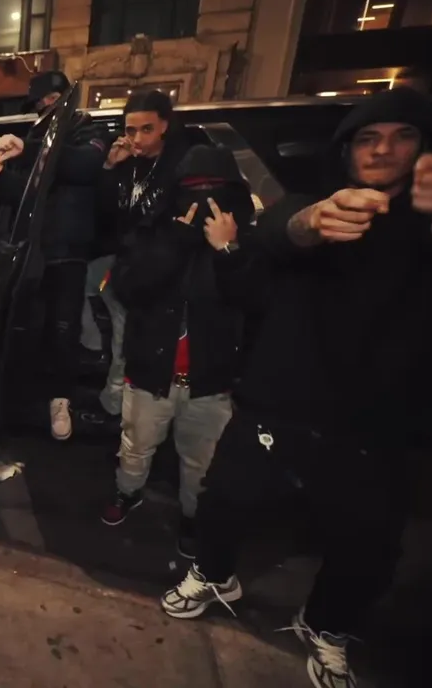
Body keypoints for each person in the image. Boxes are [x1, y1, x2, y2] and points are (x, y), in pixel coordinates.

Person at [160, 88, 432, 688]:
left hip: (378, 418)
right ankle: (214, 574)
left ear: (427, 149)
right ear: (346, 151)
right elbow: (276, 236)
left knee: (368, 545)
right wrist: (311, 222)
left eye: (402, 136)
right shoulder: (312, 205)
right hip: (280, 402)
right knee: (224, 501)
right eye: (368, 138)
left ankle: (326, 625)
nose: (383, 149)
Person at [101, 146, 256, 561]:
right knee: (136, 446)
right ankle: (128, 491)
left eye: (214, 188)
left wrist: (227, 251)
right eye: (193, 188)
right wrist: (173, 244)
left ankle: (191, 518)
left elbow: (255, 301)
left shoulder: (247, 240)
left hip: (211, 381)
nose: (203, 198)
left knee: (201, 462)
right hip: (150, 374)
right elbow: (127, 288)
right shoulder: (154, 230)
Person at [0, 70, 108, 440]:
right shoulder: (35, 137)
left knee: (64, 329)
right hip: (32, 250)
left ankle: (61, 400)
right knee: (28, 329)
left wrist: (30, 148)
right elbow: (23, 193)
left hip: (69, 251)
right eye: (40, 104)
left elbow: (82, 166)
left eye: (53, 100)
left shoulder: (88, 130)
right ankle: (25, 401)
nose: (47, 108)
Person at [92, 89, 192, 415]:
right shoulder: (127, 163)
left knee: (136, 342)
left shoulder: (180, 163)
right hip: (126, 267)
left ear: (164, 125)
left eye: (146, 129)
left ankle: (120, 404)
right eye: (130, 130)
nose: (136, 138)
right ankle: (117, 401)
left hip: (160, 272)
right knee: (122, 338)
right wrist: (110, 167)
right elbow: (106, 214)